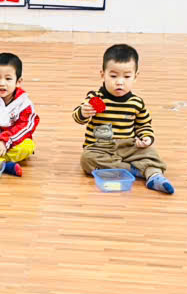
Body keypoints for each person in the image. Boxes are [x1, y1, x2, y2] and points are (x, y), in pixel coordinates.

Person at [72, 44, 174, 195]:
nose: (120, 82)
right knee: (87, 159)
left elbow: (144, 125)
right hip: (100, 147)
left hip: (128, 147)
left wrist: (146, 138)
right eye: (113, 76)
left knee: (151, 153)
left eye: (126, 77)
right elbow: (78, 118)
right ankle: (135, 169)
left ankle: (154, 177)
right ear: (103, 74)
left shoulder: (136, 102)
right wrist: (83, 112)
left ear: (135, 76)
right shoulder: (95, 98)